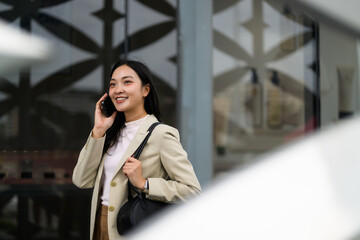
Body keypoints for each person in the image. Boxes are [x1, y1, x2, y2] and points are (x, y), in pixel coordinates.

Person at [72, 60, 201, 240]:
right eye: (113, 84)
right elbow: (81, 180)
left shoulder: (161, 134)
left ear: (145, 90)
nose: (118, 89)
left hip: (132, 227)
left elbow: (192, 190)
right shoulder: (109, 133)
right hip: (100, 227)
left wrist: (144, 183)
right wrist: (99, 131)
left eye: (127, 82)